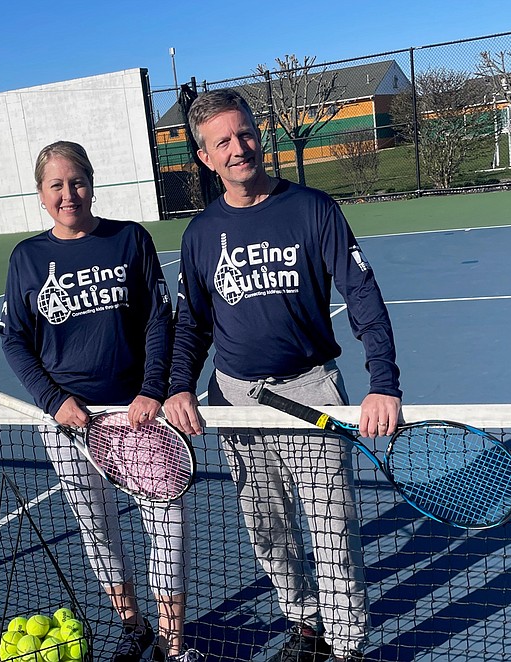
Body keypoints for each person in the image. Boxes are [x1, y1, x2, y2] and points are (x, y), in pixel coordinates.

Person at [164, 90, 402, 662]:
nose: (239, 147)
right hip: (235, 399)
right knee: (267, 528)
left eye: (245, 134)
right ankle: (304, 625)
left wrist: (383, 382)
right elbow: (192, 324)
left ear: (258, 134)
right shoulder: (199, 234)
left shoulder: (313, 209)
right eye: (222, 141)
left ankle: (346, 649)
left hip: (311, 389)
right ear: (204, 157)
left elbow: (362, 294)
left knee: (333, 533)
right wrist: (177, 386)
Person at [0, 141, 200, 662]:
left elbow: (159, 319)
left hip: (140, 418)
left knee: (168, 530)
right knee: (99, 532)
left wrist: (152, 389)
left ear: (91, 182)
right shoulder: (27, 258)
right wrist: (52, 400)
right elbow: (15, 340)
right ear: (42, 194)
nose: (69, 194)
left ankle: (173, 645)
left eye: (77, 181)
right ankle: (133, 626)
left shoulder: (129, 239)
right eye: (56, 185)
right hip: (71, 425)